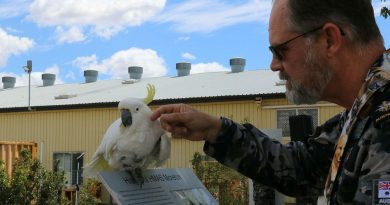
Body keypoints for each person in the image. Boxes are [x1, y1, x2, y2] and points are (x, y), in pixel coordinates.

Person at [150, 0, 390, 204]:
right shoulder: (364, 111)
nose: (273, 65)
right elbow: (302, 167)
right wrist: (215, 130)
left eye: (281, 51)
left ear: (329, 39)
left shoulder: (383, 121)